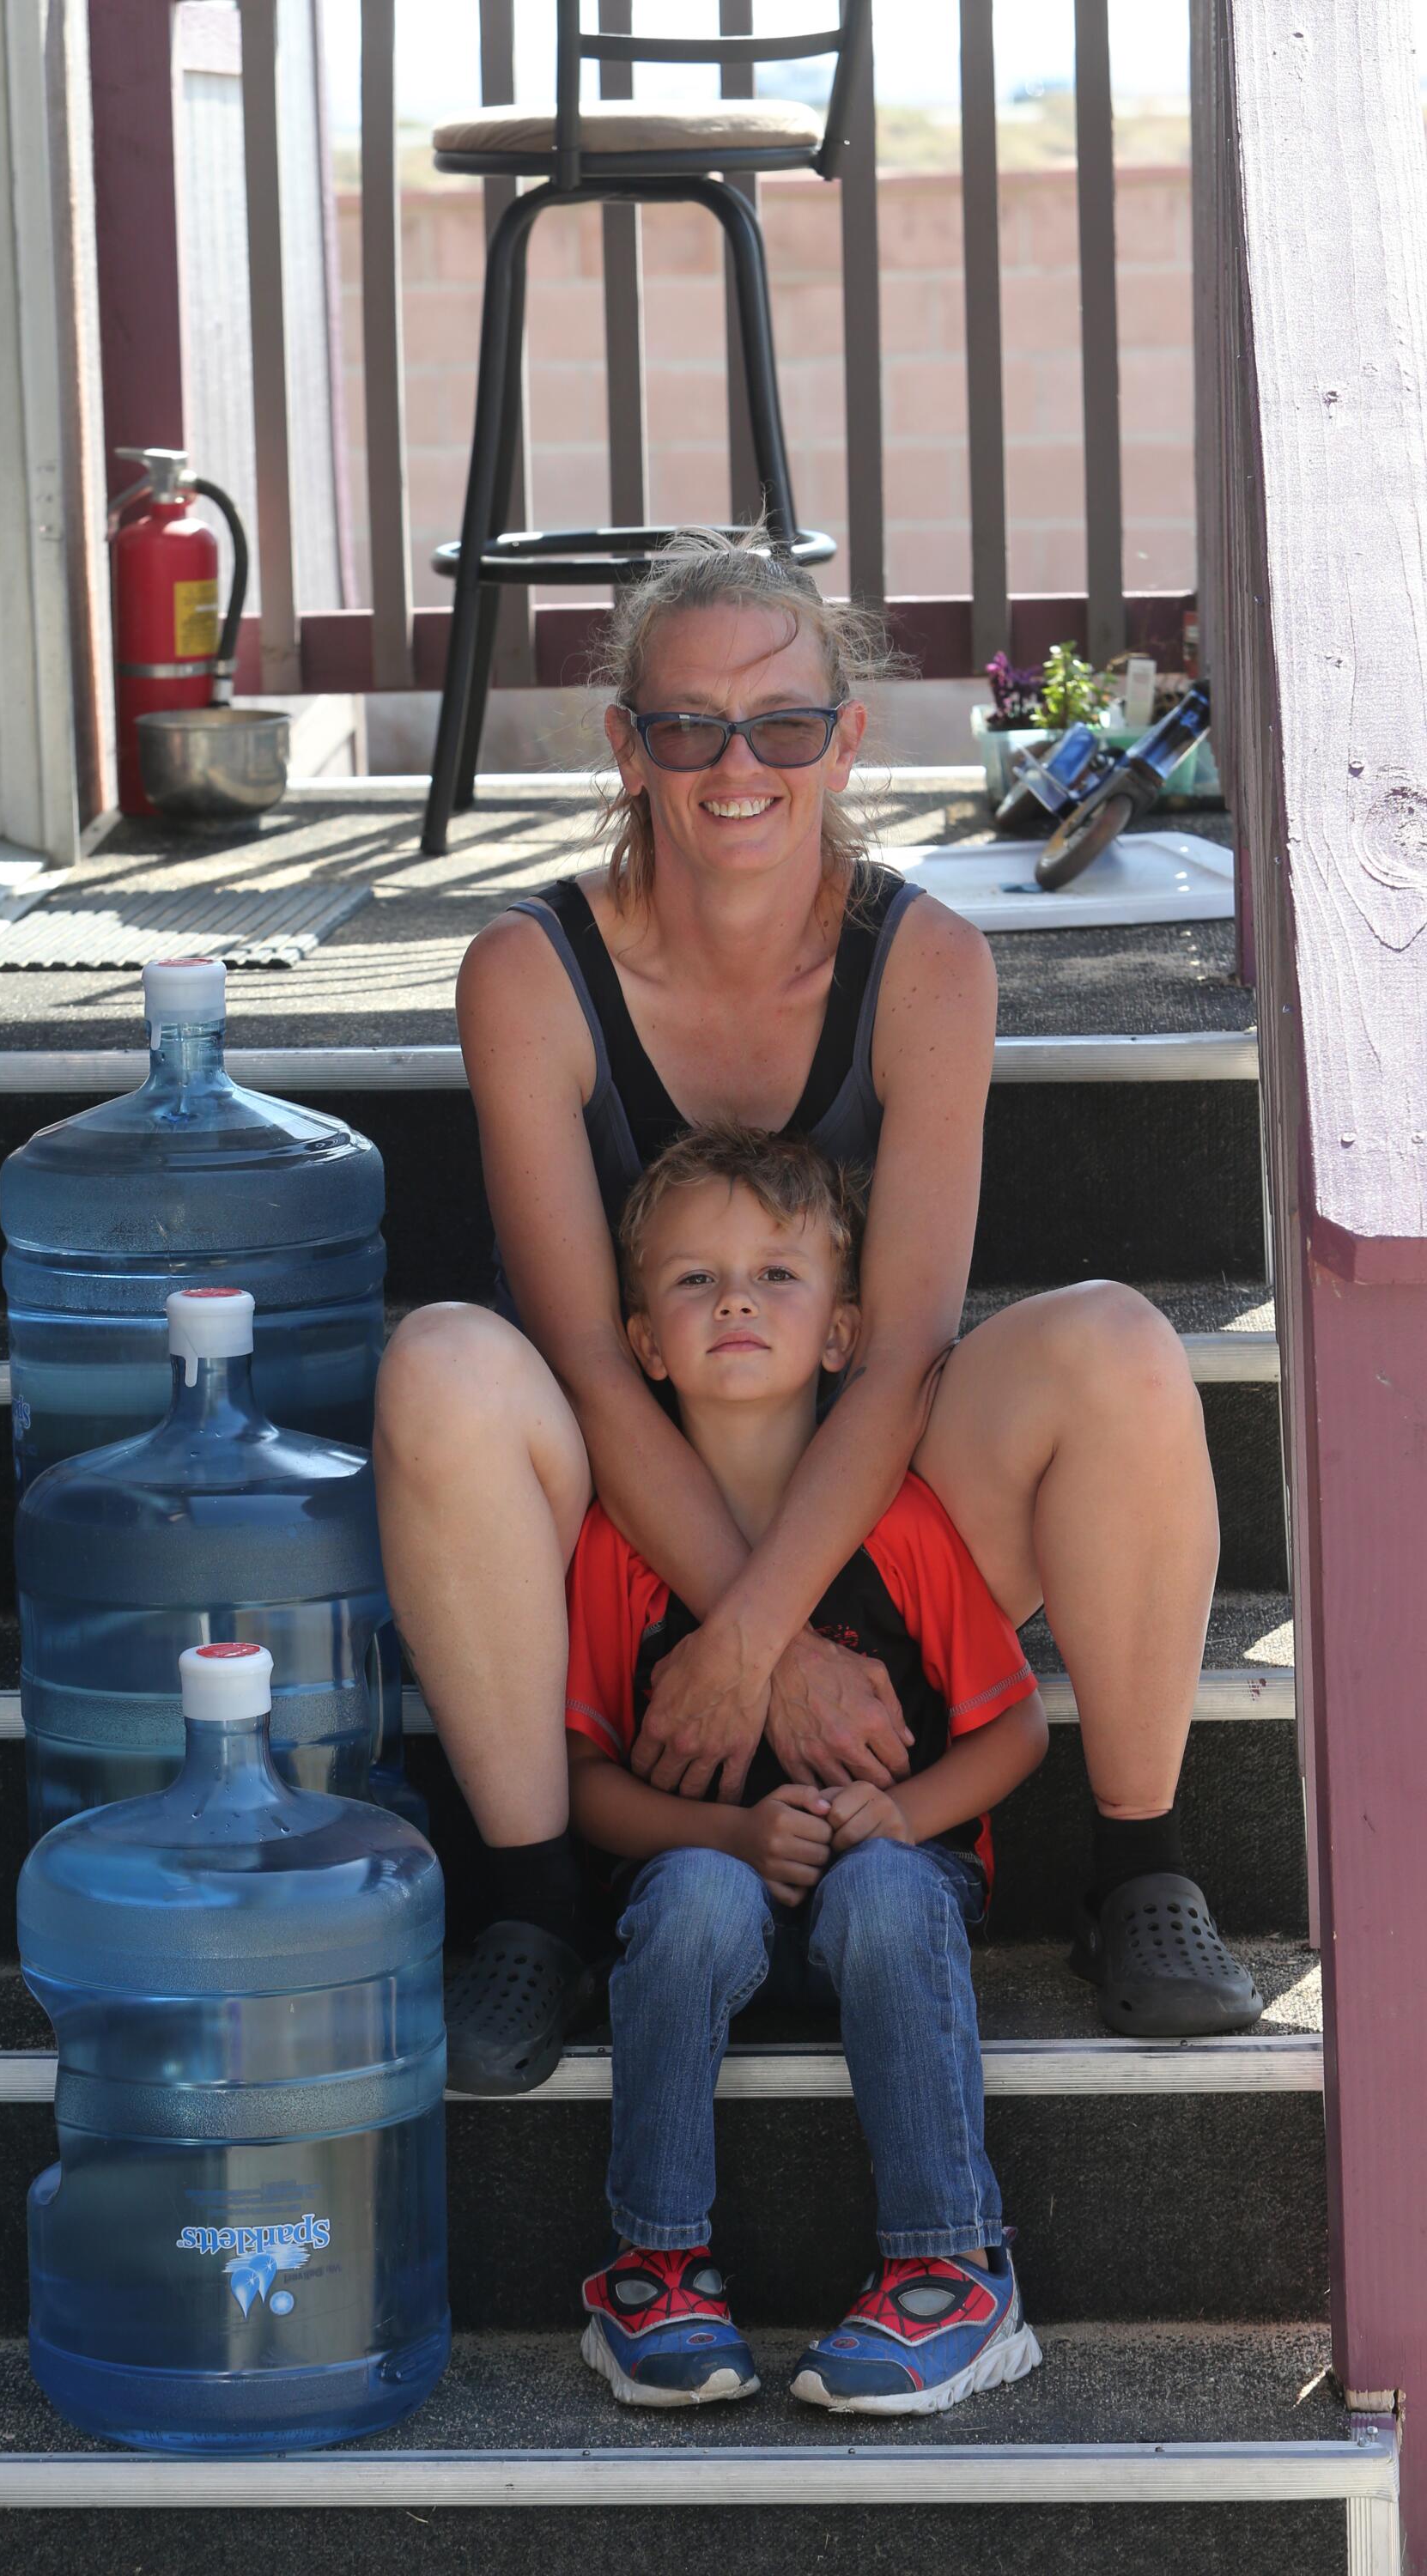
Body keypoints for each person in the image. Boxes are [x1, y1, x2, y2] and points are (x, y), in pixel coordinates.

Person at [375, 527, 1261, 2094]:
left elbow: (910, 1345)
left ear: (846, 740)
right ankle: (530, 1903)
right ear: (626, 746)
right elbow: (584, 1352)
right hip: (618, 1532)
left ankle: (1139, 1870)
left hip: (884, 1511)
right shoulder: (529, 971)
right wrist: (757, 1654)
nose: (740, 767)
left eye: (785, 723)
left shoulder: (926, 962)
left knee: (1120, 1343)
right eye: (690, 726)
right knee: (444, 1364)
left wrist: (769, 1628)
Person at [568, 1125, 1047, 2413]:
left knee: (891, 1891)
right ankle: (653, 2271)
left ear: (841, 1334)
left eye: (777, 1276)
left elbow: (1017, 1730)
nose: (734, 1300)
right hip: (713, 1900)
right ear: (642, 1343)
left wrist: (903, 1812)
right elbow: (581, 1785)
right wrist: (721, 1838)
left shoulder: (899, 1519)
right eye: (693, 1281)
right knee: (686, 1901)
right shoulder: (616, 1542)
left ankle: (954, 2267)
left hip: (893, 1900)